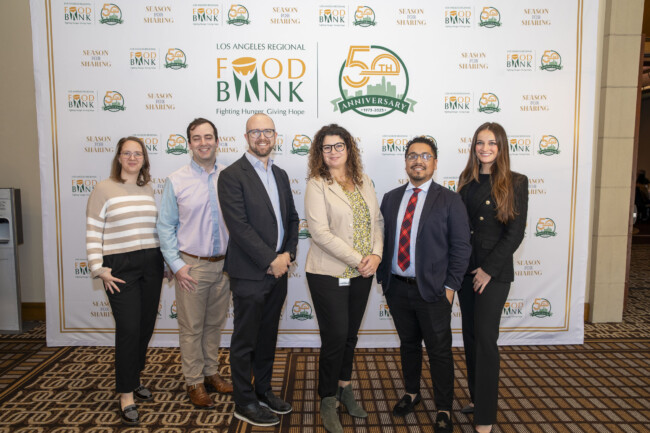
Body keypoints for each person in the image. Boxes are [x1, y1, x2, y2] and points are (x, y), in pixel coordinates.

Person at [377, 136, 471, 433]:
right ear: (405, 161)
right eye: (413, 155)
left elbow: (461, 247)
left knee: (440, 351)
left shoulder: (450, 199)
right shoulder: (391, 198)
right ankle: (412, 393)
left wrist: (450, 288)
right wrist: (384, 279)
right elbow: (382, 240)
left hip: (433, 291)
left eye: (425, 156)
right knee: (408, 345)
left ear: (435, 162)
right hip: (397, 287)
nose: (418, 160)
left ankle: (444, 407)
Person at [218, 113, 299, 427]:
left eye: (267, 131)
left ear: (275, 136)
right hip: (250, 273)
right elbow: (239, 227)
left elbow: (292, 219)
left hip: (278, 272)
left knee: (267, 337)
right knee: (245, 340)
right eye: (255, 132)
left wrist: (288, 254)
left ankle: (263, 390)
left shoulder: (279, 174)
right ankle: (244, 400)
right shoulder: (231, 175)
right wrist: (272, 259)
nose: (262, 137)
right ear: (246, 136)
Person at [304, 124, 384, 433]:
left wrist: (375, 255)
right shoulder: (317, 184)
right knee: (335, 337)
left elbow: (376, 220)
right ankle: (327, 400)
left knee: (350, 335)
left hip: (363, 273)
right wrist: (359, 259)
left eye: (339, 146)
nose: (334, 152)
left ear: (349, 148)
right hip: (328, 273)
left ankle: (344, 387)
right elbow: (320, 233)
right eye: (327, 147)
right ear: (320, 153)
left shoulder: (363, 181)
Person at [85, 136, 167, 425]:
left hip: (151, 263)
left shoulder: (147, 189)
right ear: (118, 158)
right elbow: (94, 230)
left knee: (144, 328)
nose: (133, 158)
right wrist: (99, 267)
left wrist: (165, 260)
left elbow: (155, 229)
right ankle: (125, 393)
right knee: (129, 329)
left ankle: (133, 379)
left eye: (138, 154)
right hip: (120, 267)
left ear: (144, 159)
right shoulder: (103, 189)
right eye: (127, 153)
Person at [157, 118, 233, 409]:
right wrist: (177, 265)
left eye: (208, 137)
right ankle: (193, 381)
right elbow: (165, 227)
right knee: (191, 327)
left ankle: (210, 372)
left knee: (214, 324)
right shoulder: (176, 180)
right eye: (197, 138)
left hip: (224, 266)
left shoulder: (228, 176)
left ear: (217, 141)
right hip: (192, 266)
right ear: (189, 144)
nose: (204, 143)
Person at [457, 122, 528, 433]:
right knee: (471, 338)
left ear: (502, 148)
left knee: (486, 340)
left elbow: (515, 234)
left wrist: (488, 270)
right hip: (465, 271)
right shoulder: (466, 180)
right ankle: (477, 398)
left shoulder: (515, 182)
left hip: (493, 273)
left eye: (492, 143)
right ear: (473, 146)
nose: (485, 148)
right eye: (480, 143)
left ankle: (485, 416)